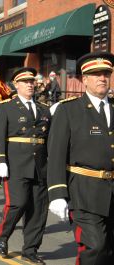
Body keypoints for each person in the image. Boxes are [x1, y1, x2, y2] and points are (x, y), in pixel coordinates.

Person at [47, 51, 114, 265]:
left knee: (109, 251)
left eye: (106, 73)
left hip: (111, 191)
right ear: (85, 79)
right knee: (94, 247)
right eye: (96, 74)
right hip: (84, 191)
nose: (102, 78)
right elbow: (56, 153)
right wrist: (57, 193)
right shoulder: (69, 110)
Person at [0, 67, 51, 264]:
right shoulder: (6, 107)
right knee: (17, 203)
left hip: (40, 165)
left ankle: (31, 249)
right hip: (16, 163)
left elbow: (50, 139)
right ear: (16, 85)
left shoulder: (43, 109)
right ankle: (3, 237)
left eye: (32, 81)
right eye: (25, 81)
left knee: (38, 209)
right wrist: (0, 160)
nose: (30, 84)